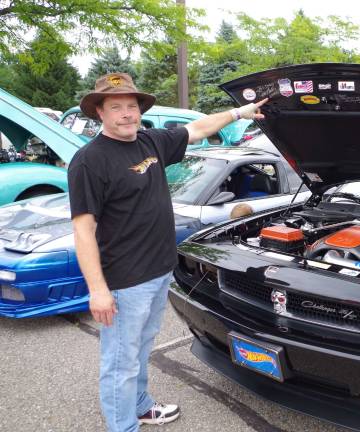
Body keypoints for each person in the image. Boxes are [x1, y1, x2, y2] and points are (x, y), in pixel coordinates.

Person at [68, 72, 266, 432]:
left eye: (132, 106)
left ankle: (141, 407)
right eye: (117, 107)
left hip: (160, 270)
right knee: (120, 363)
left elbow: (199, 128)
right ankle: (122, 426)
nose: (127, 114)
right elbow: (83, 230)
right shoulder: (89, 161)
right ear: (100, 112)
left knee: (141, 348)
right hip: (125, 281)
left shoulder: (150, 142)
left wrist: (241, 113)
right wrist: (98, 290)